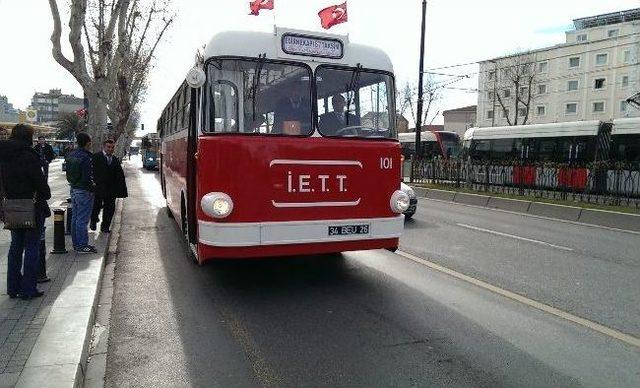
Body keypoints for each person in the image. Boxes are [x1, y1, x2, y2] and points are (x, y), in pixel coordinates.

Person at [0, 124, 51, 299]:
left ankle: (13, 287)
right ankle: (29, 288)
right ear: (27, 137)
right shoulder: (29, 155)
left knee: (15, 247)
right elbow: (39, 182)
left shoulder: (3, 155)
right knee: (31, 247)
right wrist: (45, 193)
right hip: (31, 207)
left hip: (12, 207)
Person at [66, 132, 97, 253]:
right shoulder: (86, 157)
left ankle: (76, 244)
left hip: (73, 188)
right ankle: (82, 245)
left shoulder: (71, 154)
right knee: (82, 219)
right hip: (84, 190)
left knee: (75, 217)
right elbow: (87, 177)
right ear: (88, 143)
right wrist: (92, 188)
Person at [91, 139, 128, 233]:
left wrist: (121, 190)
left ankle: (105, 227)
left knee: (110, 209)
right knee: (96, 206)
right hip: (98, 188)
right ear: (104, 147)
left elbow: (120, 176)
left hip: (111, 190)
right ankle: (93, 221)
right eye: (108, 147)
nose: (110, 149)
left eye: (112, 147)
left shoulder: (115, 159)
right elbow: (91, 171)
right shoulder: (96, 157)